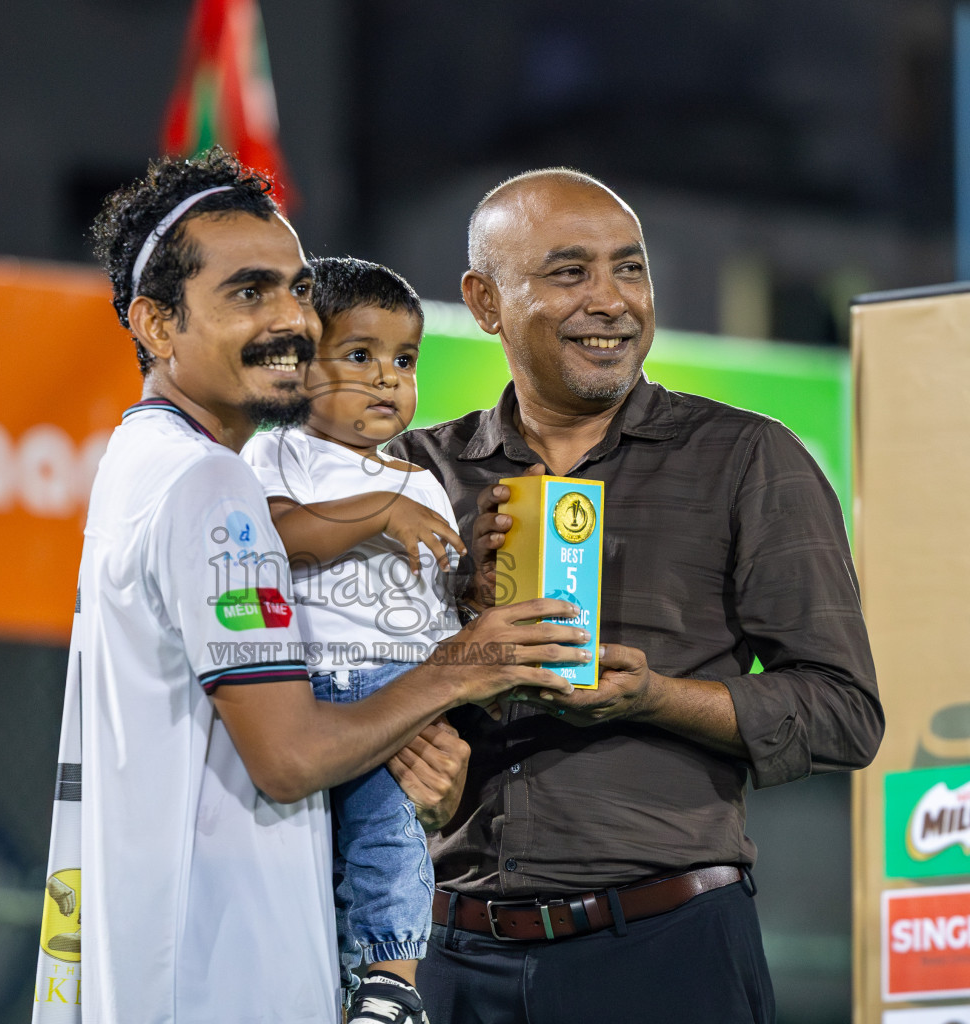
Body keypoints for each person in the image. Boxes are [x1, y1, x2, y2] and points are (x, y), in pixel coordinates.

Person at [59, 148, 591, 1024]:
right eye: (246, 293)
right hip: (228, 980)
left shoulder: (140, 461)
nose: (289, 321)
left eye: (297, 290)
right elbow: (292, 758)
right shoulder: (214, 485)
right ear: (156, 324)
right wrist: (463, 668)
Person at [386, 167, 884, 1023]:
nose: (613, 301)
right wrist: (449, 646)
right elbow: (333, 704)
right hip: (448, 956)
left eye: (631, 268)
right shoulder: (412, 477)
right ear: (485, 300)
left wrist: (655, 698)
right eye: (570, 272)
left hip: (667, 955)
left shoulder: (747, 459)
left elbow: (845, 712)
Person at [243, 257, 462, 1023]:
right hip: (304, 691)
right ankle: (337, 972)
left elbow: (444, 593)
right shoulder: (277, 452)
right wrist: (375, 513)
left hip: (396, 687)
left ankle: (390, 983)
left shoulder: (423, 481)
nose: (386, 379)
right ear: (300, 366)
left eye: (404, 361)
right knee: (303, 857)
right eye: (360, 356)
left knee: (388, 834)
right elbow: (274, 536)